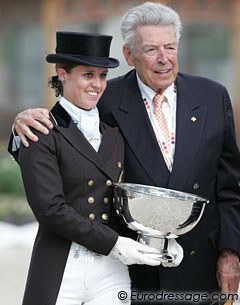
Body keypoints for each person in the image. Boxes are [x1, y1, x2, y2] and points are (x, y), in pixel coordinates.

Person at [9, 2, 240, 304]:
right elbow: (64, 142)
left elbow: (230, 186)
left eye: (170, 47)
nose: (164, 60)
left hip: (200, 261)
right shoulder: (104, 96)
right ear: (129, 56)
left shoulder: (212, 96)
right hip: (135, 263)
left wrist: (230, 252)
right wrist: (21, 129)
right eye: (151, 50)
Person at [11, 31, 182, 305]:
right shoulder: (39, 130)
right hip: (64, 263)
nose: (98, 84)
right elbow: (50, 210)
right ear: (62, 74)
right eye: (88, 75)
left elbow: (125, 199)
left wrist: (159, 238)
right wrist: (114, 244)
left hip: (110, 269)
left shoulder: (114, 135)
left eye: (102, 76)